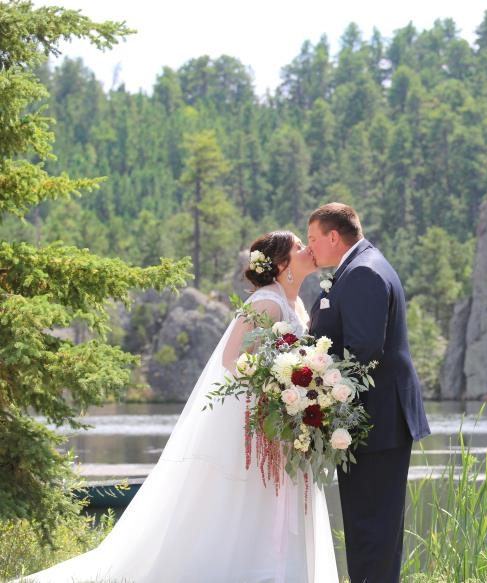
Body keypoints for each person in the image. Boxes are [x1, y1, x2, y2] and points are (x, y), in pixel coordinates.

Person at [19, 231, 338, 583]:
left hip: (286, 422)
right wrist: (275, 389)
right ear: (281, 264)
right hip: (260, 420)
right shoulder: (267, 303)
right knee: (249, 500)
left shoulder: (295, 305)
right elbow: (233, 359)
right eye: (298, 245)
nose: (306, 248)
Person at [306, 203, 431, 583]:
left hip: (376, 423)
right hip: (376, 422)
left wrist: (314, 385)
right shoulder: (362, 265)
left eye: (313, 239)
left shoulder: (362, 272)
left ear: (333, 236)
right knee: (372, 529)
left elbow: (362, 352)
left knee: (371, 529)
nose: (310, 248)